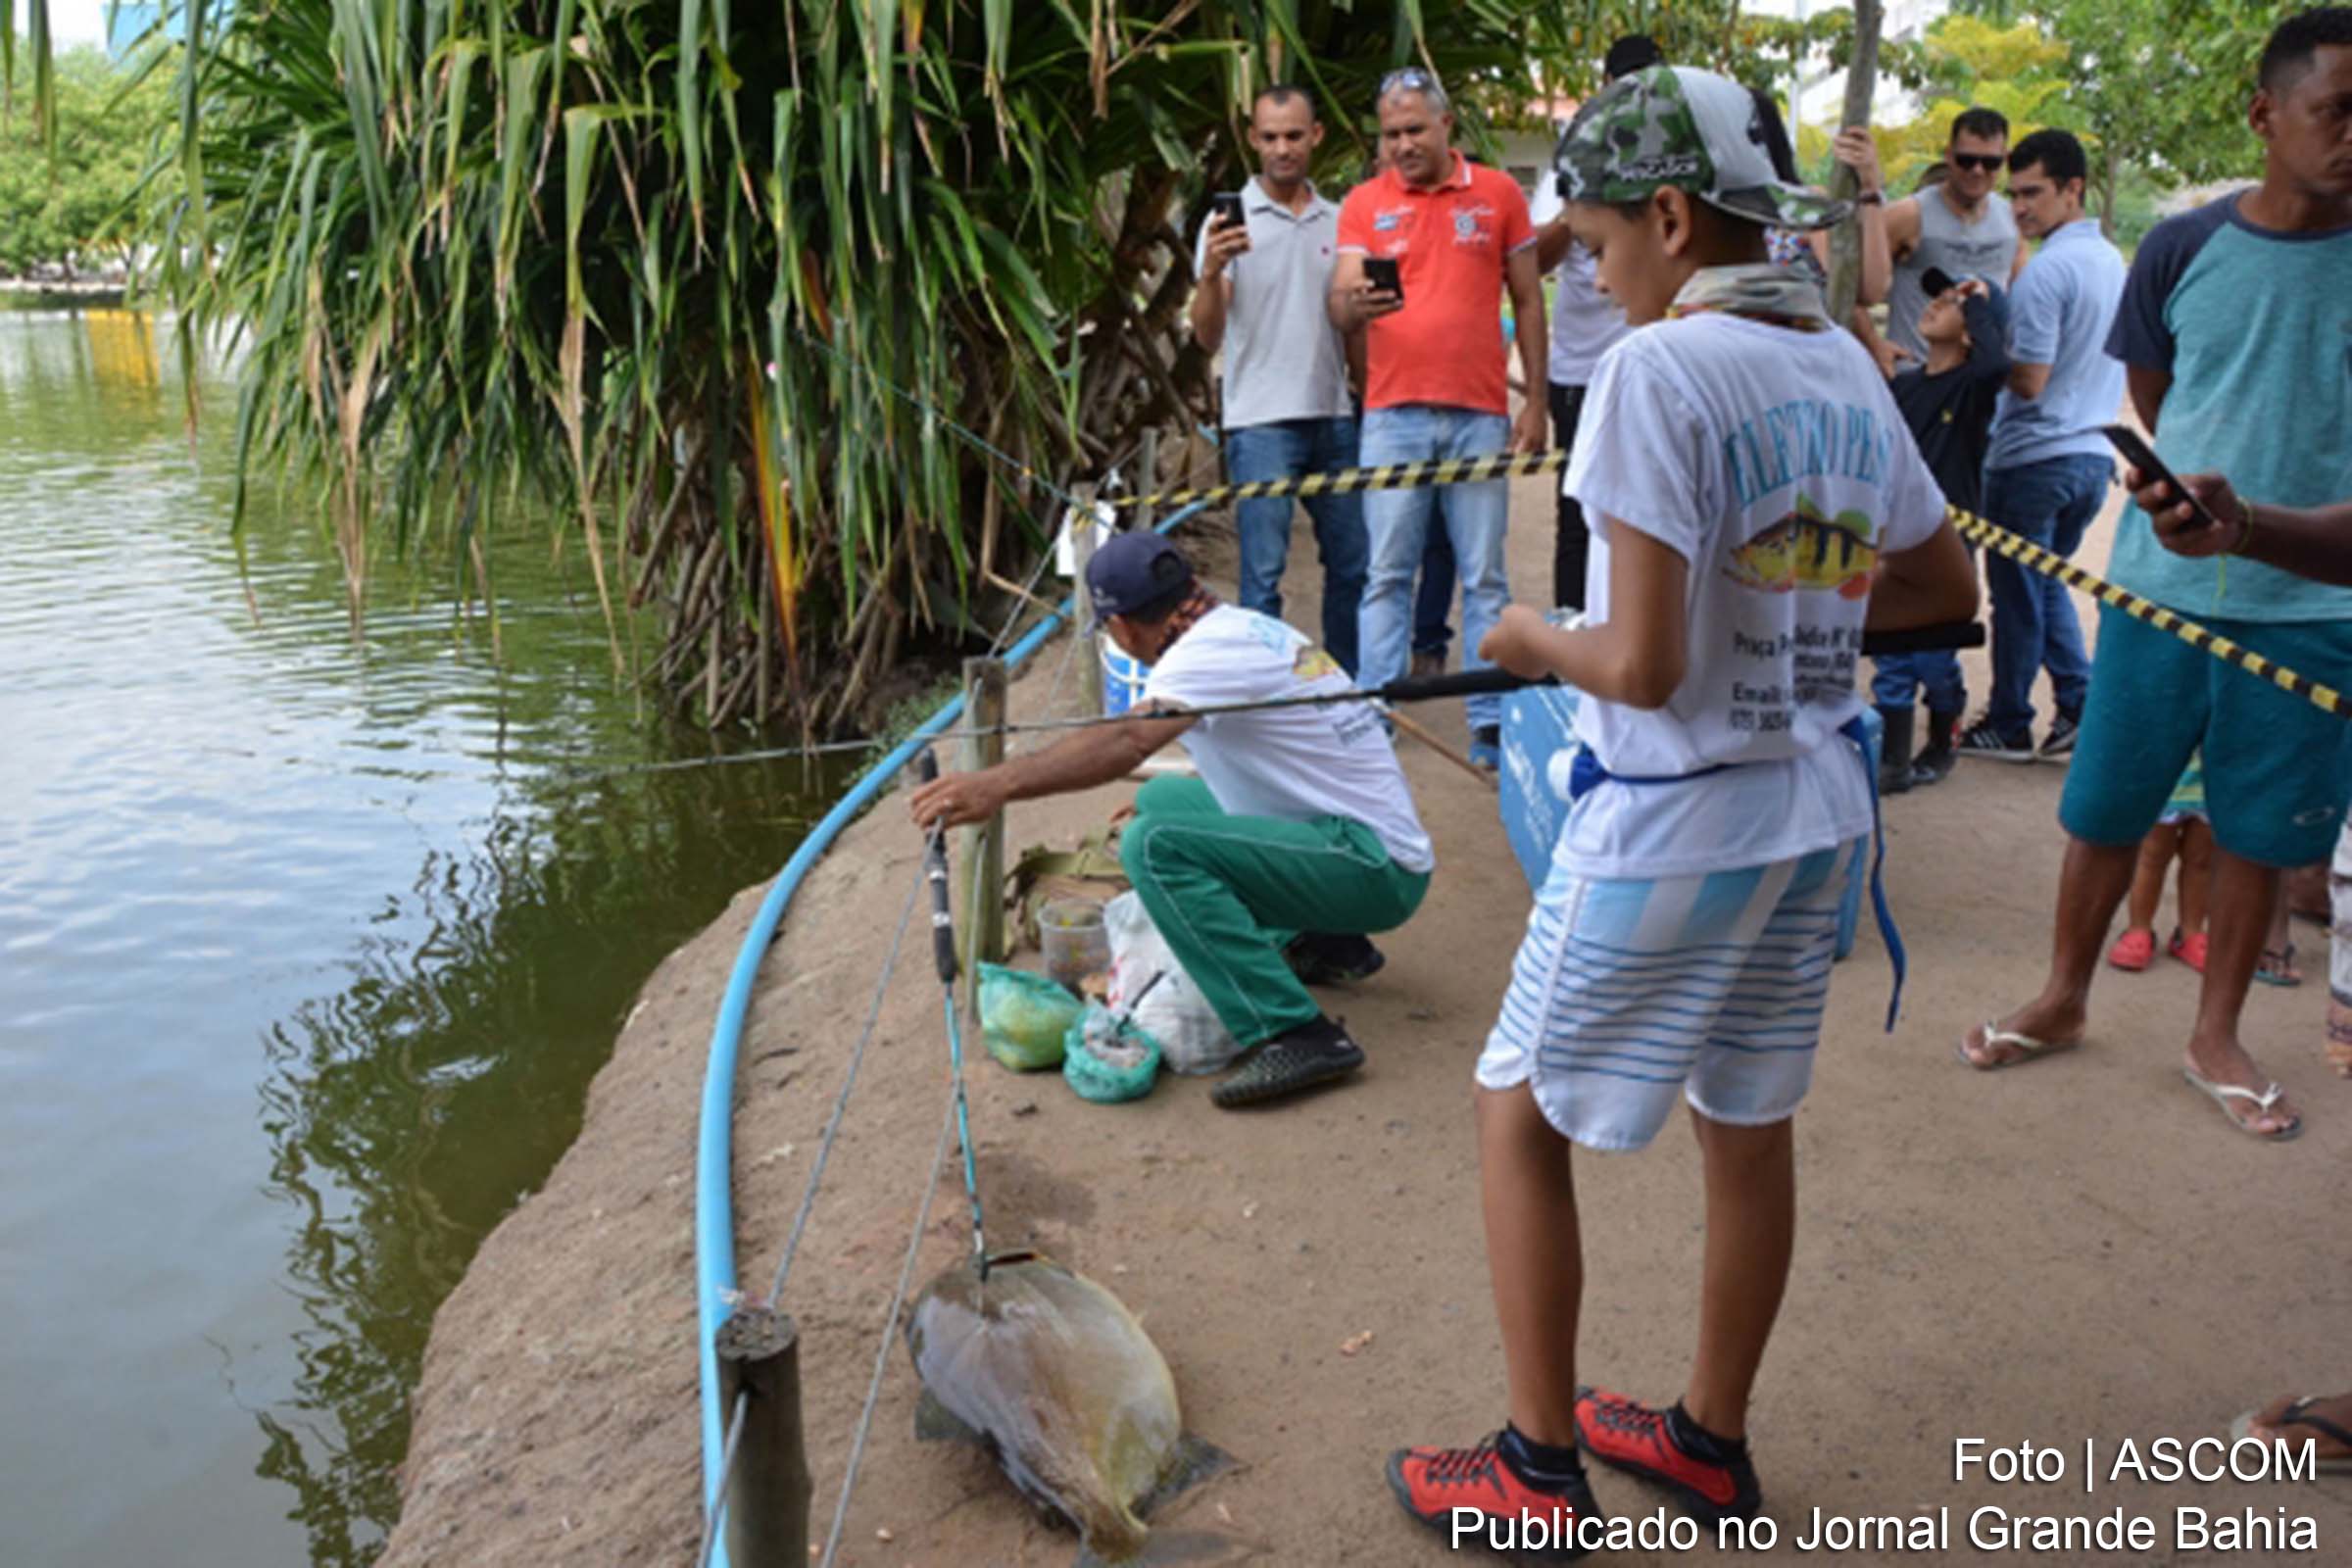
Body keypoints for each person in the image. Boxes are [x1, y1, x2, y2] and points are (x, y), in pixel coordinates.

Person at [1382, 66, 1976, 1553]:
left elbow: (1637, 666)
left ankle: (1533, 1469)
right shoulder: (1839, 357)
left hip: (1679, 817)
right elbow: (1941, 590)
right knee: (1747, 1123)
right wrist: (1795, 592)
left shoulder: (1657, 370)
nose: (1587, 271)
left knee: (1516, 1112)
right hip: (1815, 809)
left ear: (1665, 214)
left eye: (1591, 241)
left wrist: (1524, 641)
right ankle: (1709, 1442)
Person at [1959, 9, 2352, 1143]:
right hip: (2158, 593)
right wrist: (2192, 514)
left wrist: (2256, 524)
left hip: (2315, 606)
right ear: (2266, 115)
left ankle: (2214, 1033)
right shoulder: (2182, 249)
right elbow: (2157, 393)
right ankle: (2064, 995)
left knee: (2254, 829)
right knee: (2105, 809)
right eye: (2338, 110)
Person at [907, 531, 1432, 1108]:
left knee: (1153, 846)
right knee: (1159, 803)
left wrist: (996, 784)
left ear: (1123, 627)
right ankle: (1332, 943)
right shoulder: (1239, 627)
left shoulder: (1200, 657)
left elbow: (1131, 738)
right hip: (1353, 840)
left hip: (1374, 866)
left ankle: (1295, 1032)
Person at [1331, 69, 1547, 769]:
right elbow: (1340, 300)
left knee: (1486, 575)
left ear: (1446, 125)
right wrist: (1351, 310)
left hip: (1480, 414)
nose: (1402, 145)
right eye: (1391, 134)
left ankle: (1489, 718)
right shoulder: (1364, 204)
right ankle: (1375, 716)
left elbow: (1529, 298)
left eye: (1414, 130)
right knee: (1387, 572)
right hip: (1391, 415)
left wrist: (1536, 399)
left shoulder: (1498, 194)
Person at [1955, 128, 2127, 761]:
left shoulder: (2047, 272)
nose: (2019, 207)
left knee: (2019, 597)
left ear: (2072, 189)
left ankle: (2008, 718)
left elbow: (2028, 379)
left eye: (2032, 194)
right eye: (2014, 194)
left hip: (2033, 458)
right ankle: (2078, 704)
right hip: (2090, 455)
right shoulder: (2111, 262)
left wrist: (1980, 345)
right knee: (2046, 582)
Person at [1192, 86, 1369, 674]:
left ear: (1316, 136)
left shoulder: (1340, 220)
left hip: (1333, 416)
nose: (1282, 148)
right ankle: (1266, 703)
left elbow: (1351, 325)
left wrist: (1364, 396)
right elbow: (1206, 336)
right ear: (1252, 140)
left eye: (1294, 135)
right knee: (1261, 579)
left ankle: (1345, 692)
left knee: (1352, 566)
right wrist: (1212, 271)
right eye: (1269, 137)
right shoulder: (1225, 224)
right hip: (1259, 424)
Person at [1526, 33, 1655, 611]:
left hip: (1655, 366)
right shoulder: (1568, 162)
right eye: (1624, 86)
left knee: (1649, 509)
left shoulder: (1675, 161)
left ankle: (1633, 630)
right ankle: (1571, 639)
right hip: (1580, 371)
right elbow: (1537, 262)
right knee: (1577, 511)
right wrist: (1576, 204)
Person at [1874, 274, 2009, 790]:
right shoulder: (1903, 386)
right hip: (1894, 535)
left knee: (1932, 655)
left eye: (1952, 302)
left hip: (1949, 536)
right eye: (1939, 296)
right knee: (1890, 650)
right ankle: (1892, 753)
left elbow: (1998, 365)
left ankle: (1943, 731)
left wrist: (1978, 304)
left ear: (1974, 330)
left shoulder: (1972, 387)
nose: (1936, 304)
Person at [1857, 107, 2025, 377]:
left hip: (1979, 388)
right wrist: (1874, 345)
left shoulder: (2012, 220)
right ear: (1949, 156)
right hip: (1916, 378)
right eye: (1967, 160)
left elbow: (2017, 304)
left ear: (2004, 160)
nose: (1978, 171)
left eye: (1990, 162)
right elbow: (1850, 289)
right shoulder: (1908, 215)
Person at [2105, 760, 2213, 972]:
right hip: (2164, 777)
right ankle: (2139, 928)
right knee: (2153, 856)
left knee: (2202, 859)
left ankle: (2190, 932)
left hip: (2212, 782)